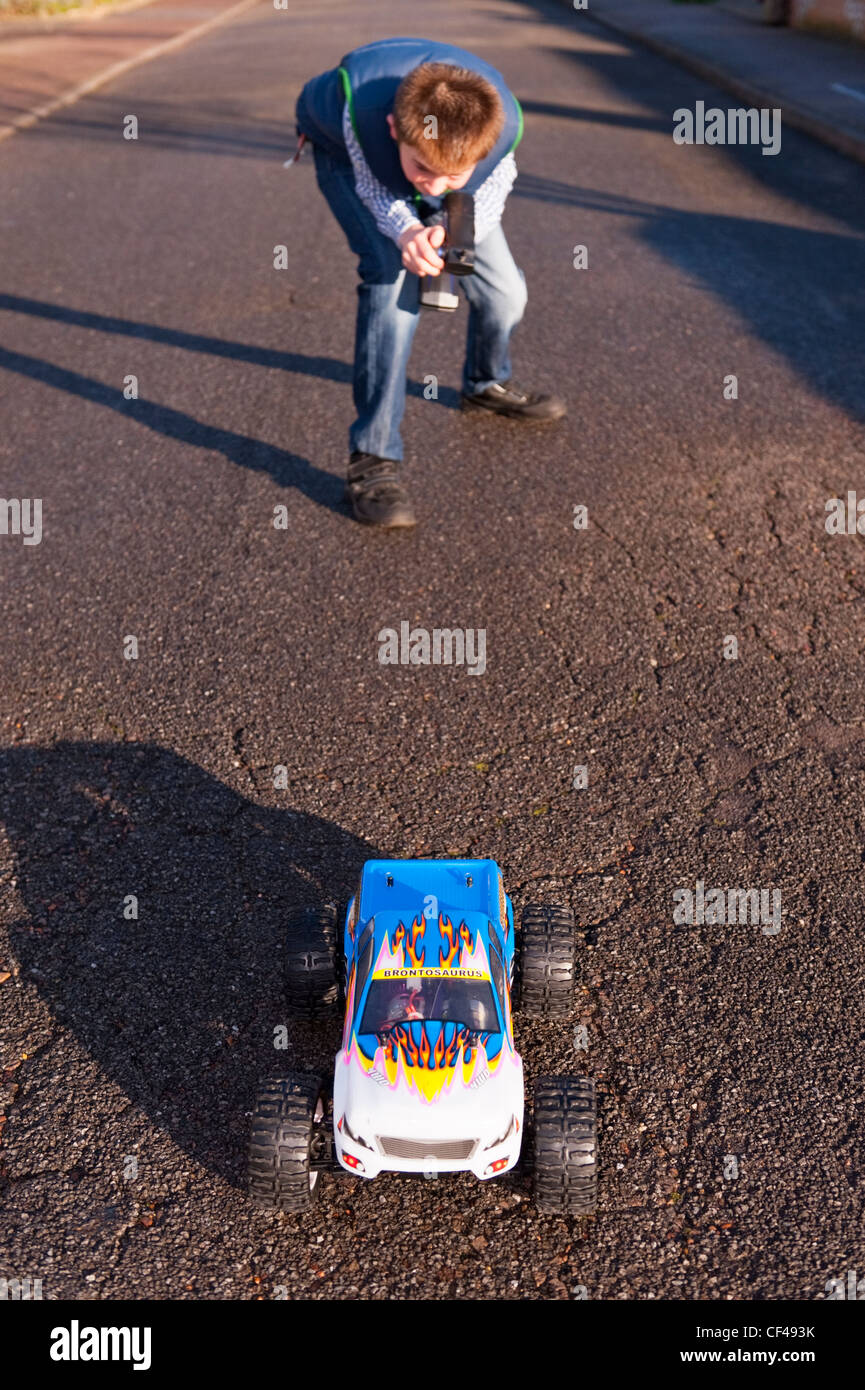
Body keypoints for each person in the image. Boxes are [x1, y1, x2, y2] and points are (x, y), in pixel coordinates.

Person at [295, 37, 567, 529]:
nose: (435, 189)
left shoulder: (501, 130)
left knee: (506, 292)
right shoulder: (364, 116)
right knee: (392, 277)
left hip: (433, 159)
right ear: (395, 129)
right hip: (344, 153)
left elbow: (487, 192)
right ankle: (372, 459)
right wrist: (409, 231)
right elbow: (376, 187)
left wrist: (456, 232)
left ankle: (486, 382)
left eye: (452, 177)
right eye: (424, 171)